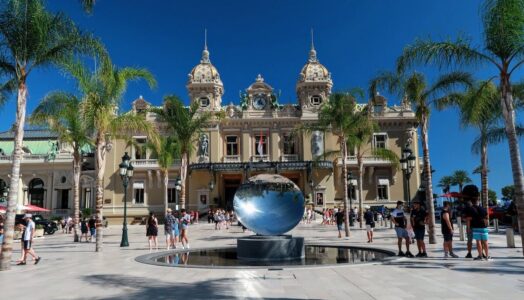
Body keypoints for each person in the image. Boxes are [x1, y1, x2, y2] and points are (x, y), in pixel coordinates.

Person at [463, 185, 491, 261]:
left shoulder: (468, 207)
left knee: (472, 241)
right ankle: (483, 254)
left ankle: (470, 253)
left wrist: (468, 228)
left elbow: (467, 219)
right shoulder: (481, 208)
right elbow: (485, 217)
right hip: (482, 226)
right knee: (483, 241)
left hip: (474, 226)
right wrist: (486, 225)